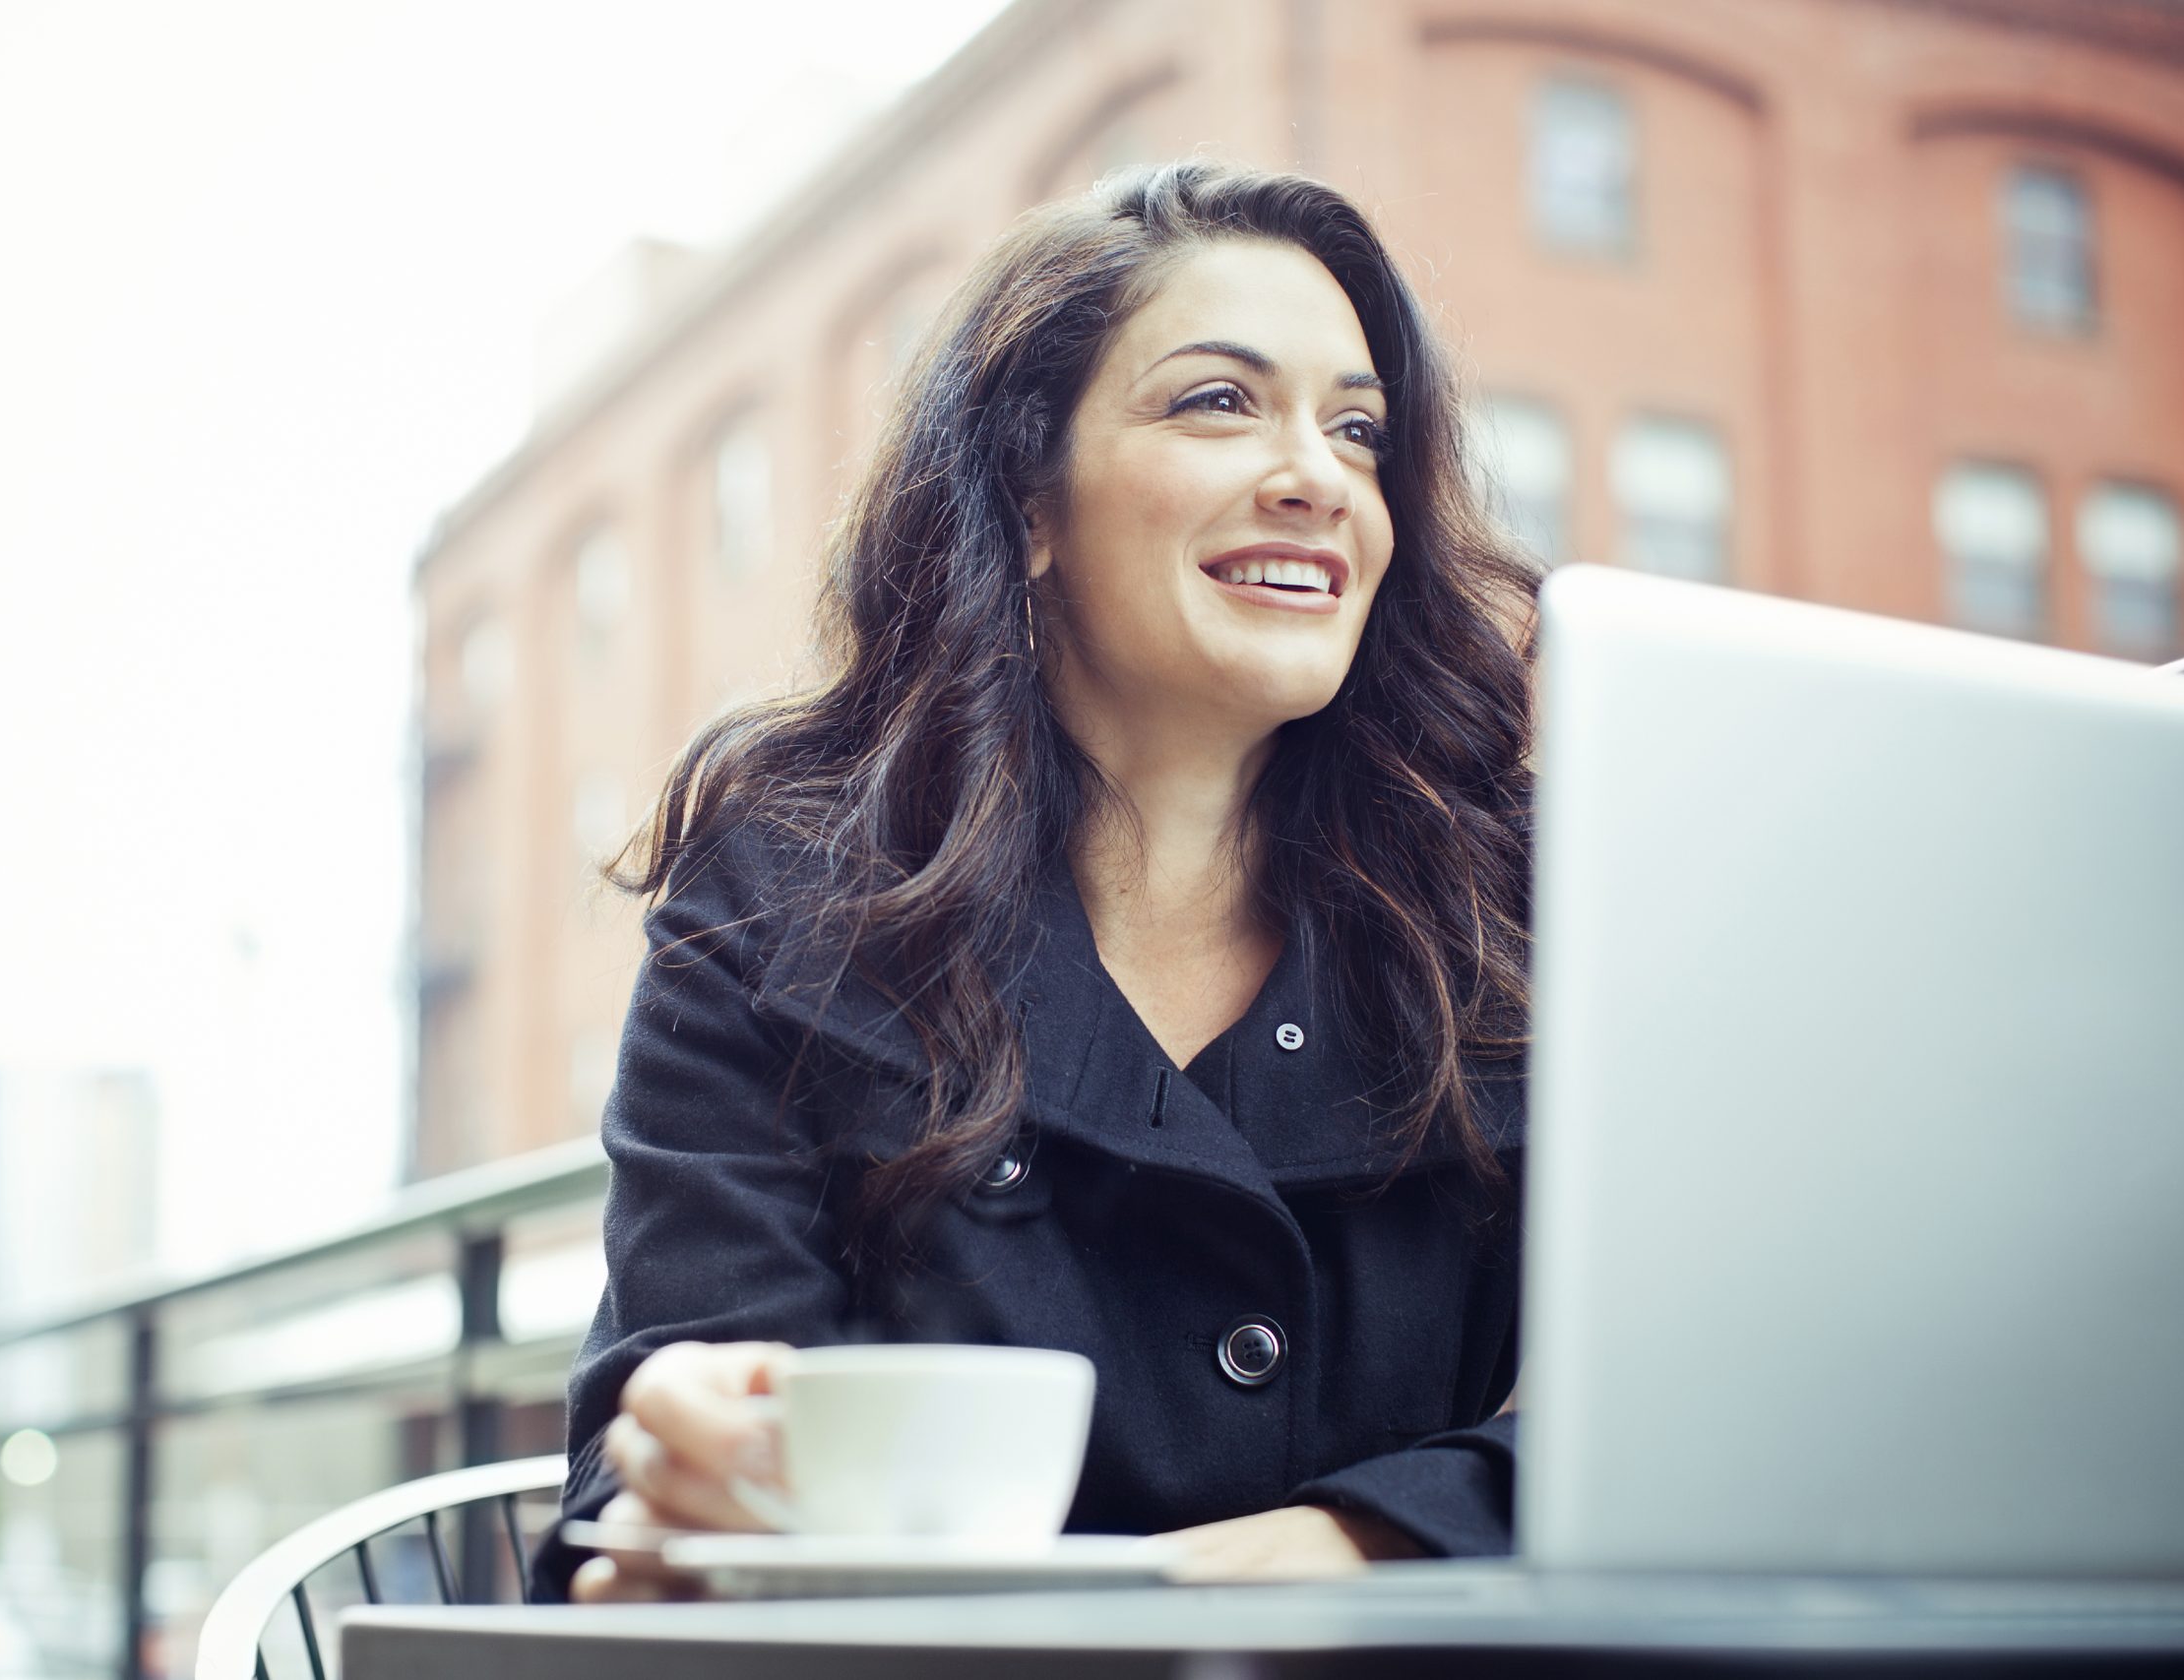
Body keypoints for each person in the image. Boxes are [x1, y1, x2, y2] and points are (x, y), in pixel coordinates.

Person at [530, 160, 1539, 1605]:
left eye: (1362, 429)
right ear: (1030, 498)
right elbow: (650, 1476)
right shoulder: (777, 889)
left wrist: (1329, 1546)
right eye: (1218, 401)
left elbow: (1693, 1413)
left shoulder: (1526, 901)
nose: (1320, 477)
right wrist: (688, 1478)